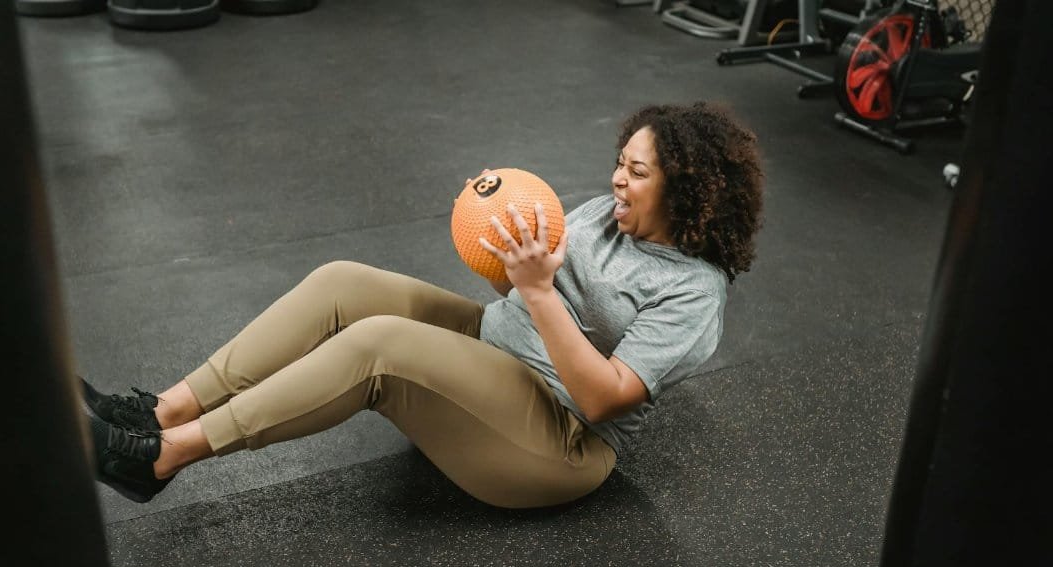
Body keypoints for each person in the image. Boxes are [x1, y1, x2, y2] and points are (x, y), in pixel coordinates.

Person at [81, 101, 763, 507]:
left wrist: (535, 290)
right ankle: (165, 410)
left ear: (687, 191)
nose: (616, 178)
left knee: (379, 346)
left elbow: (604, 398)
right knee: (342, 281)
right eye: (619, 161)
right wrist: (496, 236)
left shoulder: (693, 292)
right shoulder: (601, 216)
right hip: (494, 350)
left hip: (556, 439)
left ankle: (162, 456)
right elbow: (517, 292)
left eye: (636, 171)